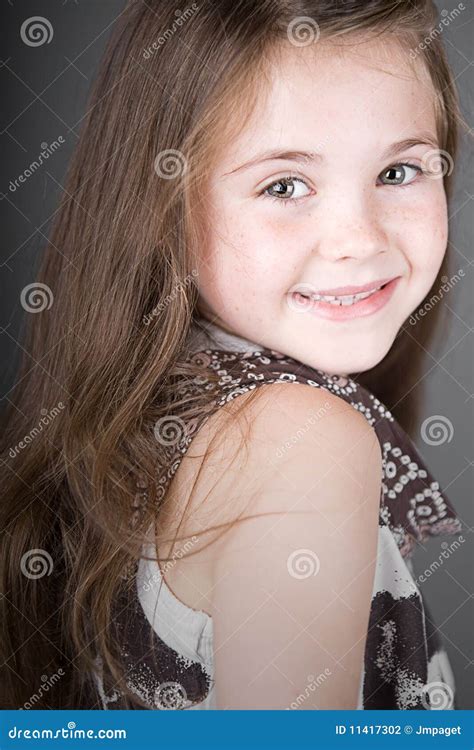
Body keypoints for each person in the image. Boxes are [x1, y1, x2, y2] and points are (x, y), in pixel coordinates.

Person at [0, 0, 466, 711]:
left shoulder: (166, 401)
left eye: (399, 172)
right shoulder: (300, 442)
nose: (358, 239)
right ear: (163, 207)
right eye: (284, 185)